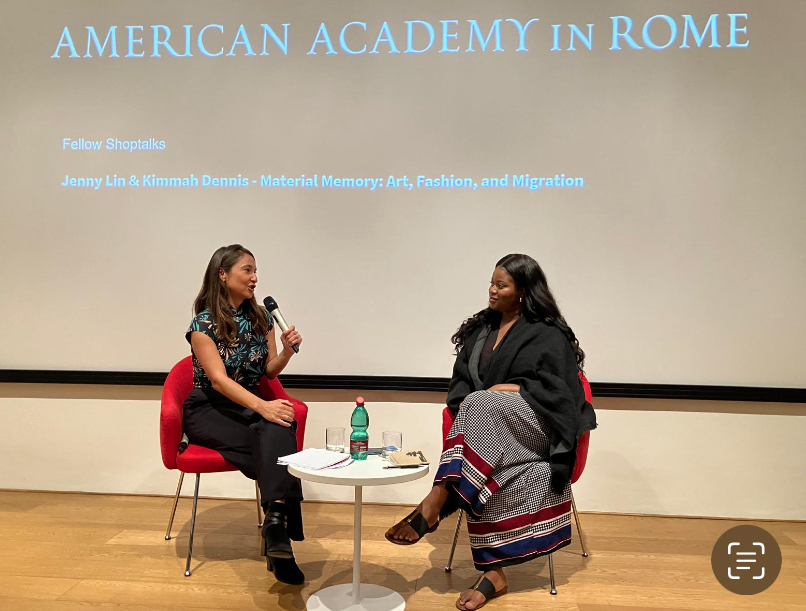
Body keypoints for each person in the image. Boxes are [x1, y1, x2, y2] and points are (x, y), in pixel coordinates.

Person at [385, 254, 596, 610]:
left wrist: (520, 390)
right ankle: (494, 575)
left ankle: (437, 500)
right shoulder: (481, 331)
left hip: (538, 427)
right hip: (491, 430)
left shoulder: (548, 333)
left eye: (501, 285)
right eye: (491, 283)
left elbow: (563, 393)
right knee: (479, 410)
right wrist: (484, 399)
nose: (492, 291)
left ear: (524, 291)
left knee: (483, 403)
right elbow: (460, 386)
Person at [183, 244, 306, 585]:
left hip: (245, 403)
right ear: (223, 274)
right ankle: (279, 540)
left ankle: (276, 526)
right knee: (275, 432)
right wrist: (262, 407)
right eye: (247, 270)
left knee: (279, 423)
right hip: (208, 407)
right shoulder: (203, 323)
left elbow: (268, 372)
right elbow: (219, 381)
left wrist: (286, 352)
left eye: (255, 271)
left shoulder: (259, 317)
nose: (255, 278)